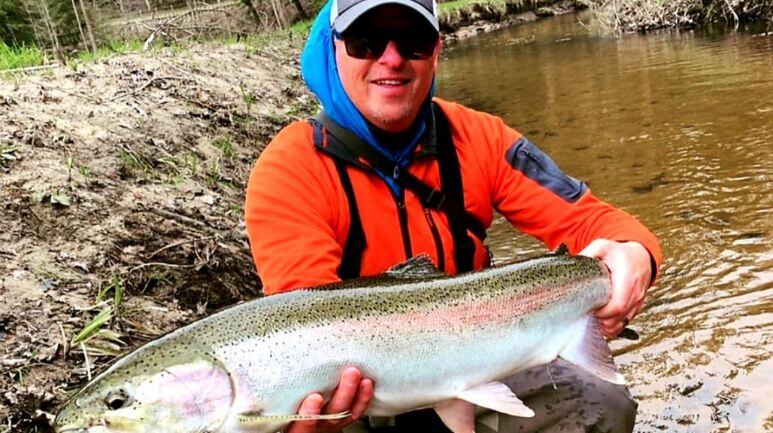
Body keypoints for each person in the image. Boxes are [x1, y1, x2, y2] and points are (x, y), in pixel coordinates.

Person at [244, 0, 662, 431]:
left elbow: (594, 221)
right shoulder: (288, 170)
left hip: (481, 361)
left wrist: (636, 256)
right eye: (365, 42)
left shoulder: (480, 138)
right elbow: (310, 330)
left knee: (601, 402)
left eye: (413, 42)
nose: (392, 58)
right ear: (334, 51)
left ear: (437, 51)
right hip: (362, 404)